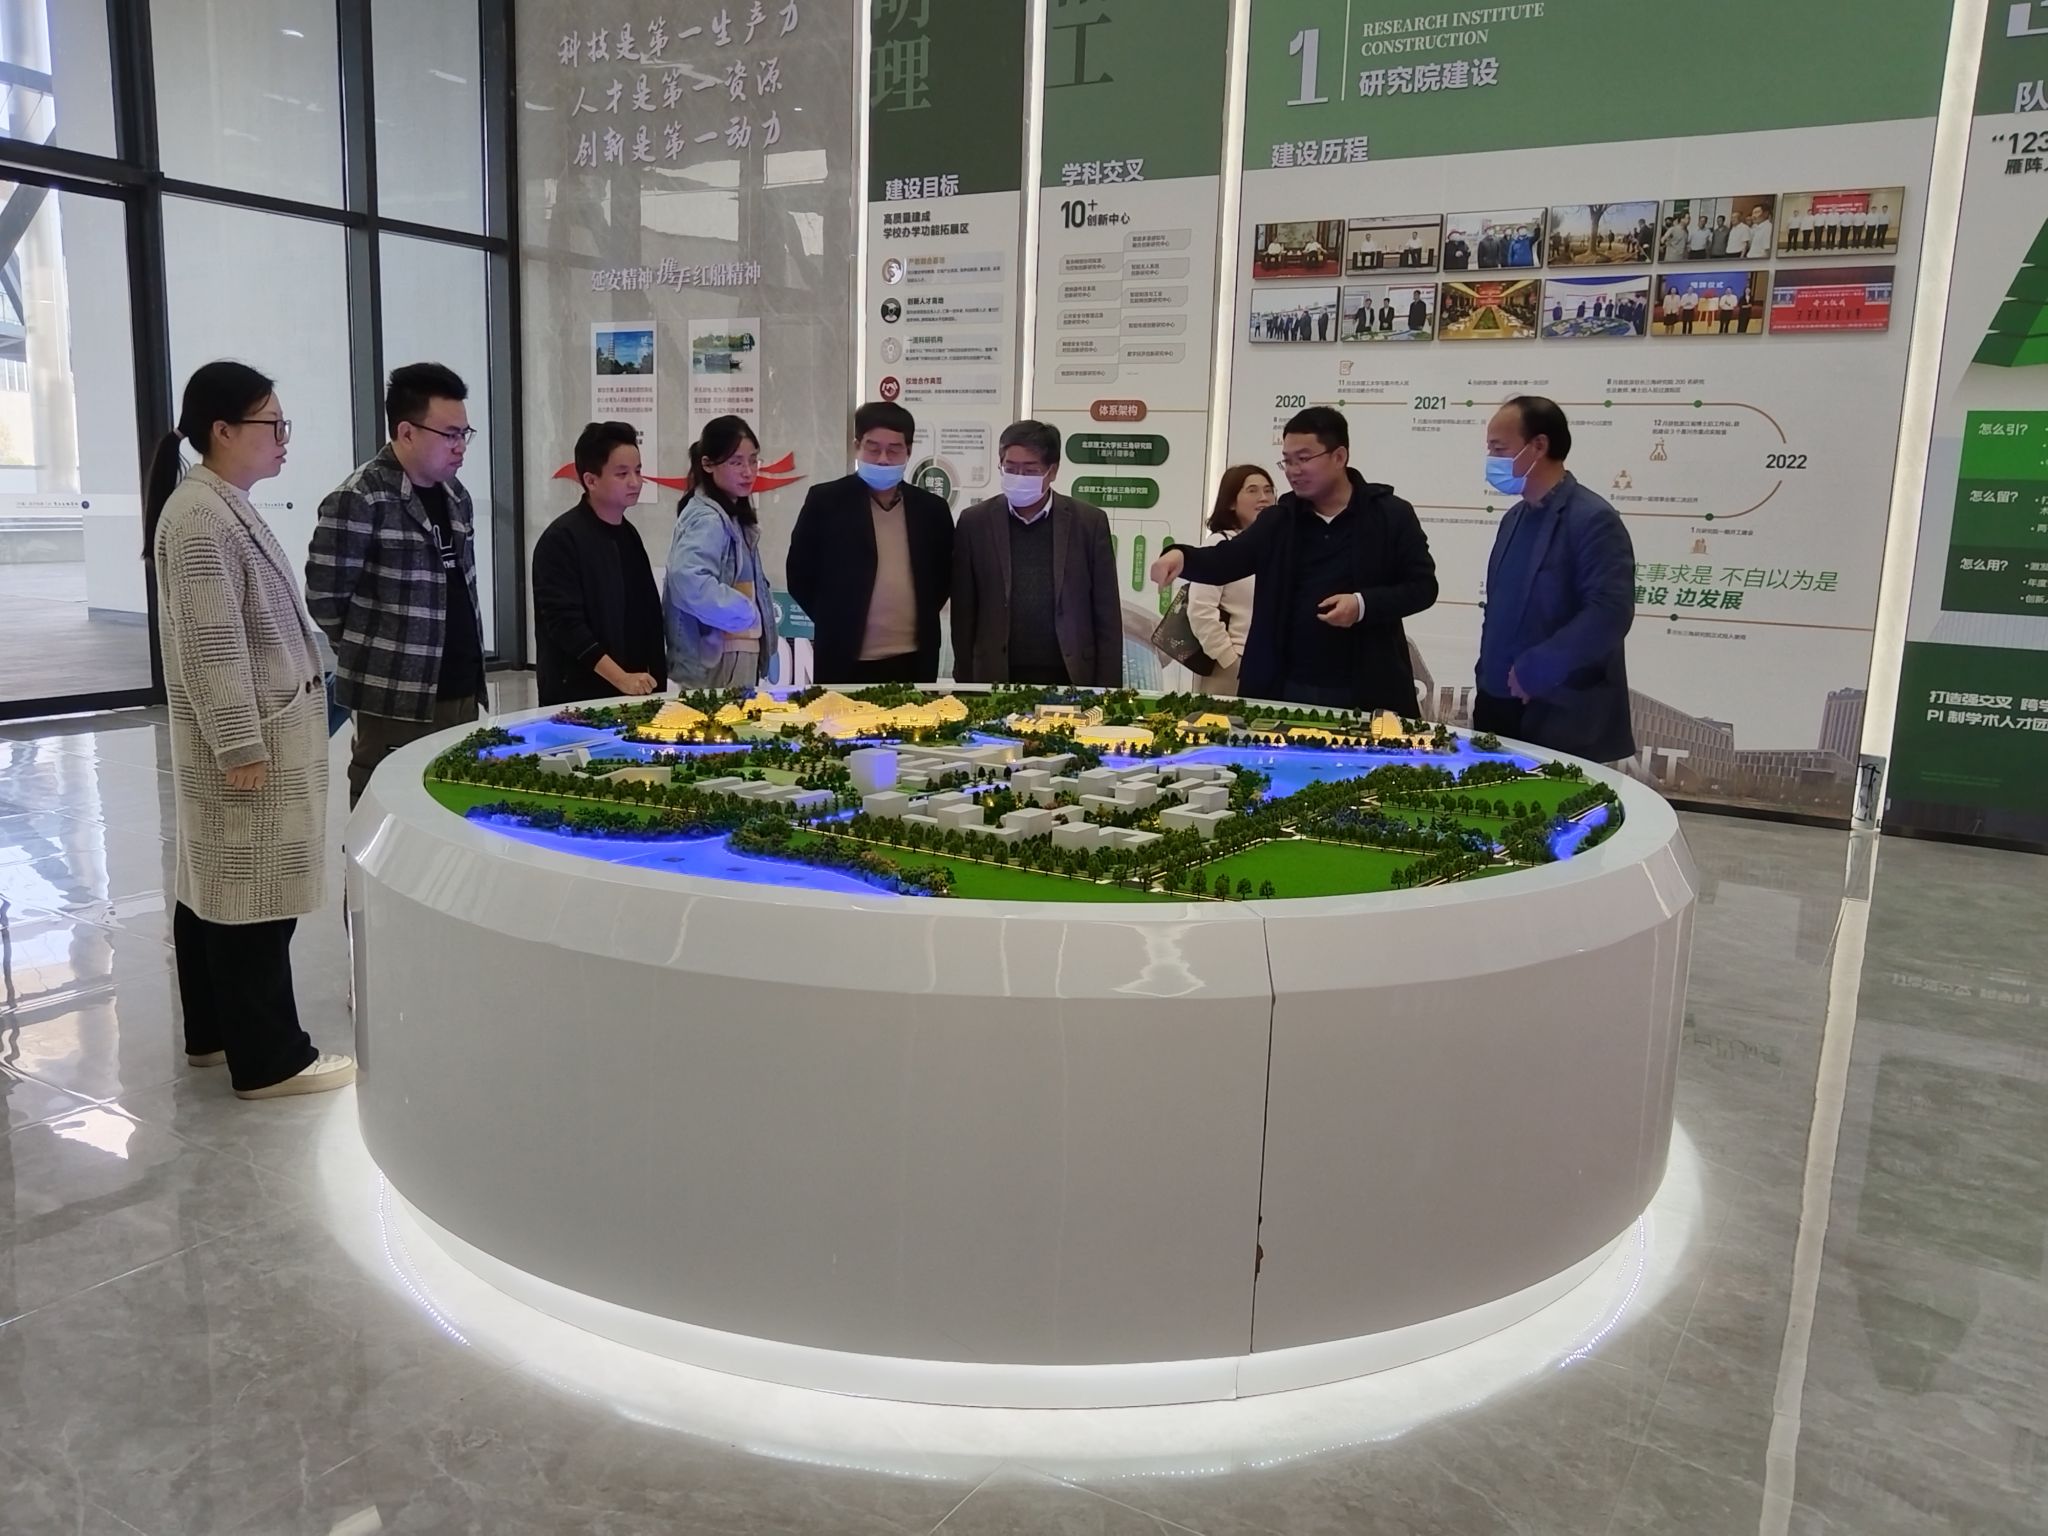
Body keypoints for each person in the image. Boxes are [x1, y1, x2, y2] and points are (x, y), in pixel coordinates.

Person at [147, 361, 353, 1100]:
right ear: (223, 430)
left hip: (264, 730)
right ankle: (270, 1060)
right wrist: (240, 744)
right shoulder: (201, 517)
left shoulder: (214, 503)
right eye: (272, 424)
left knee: (215, 889)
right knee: (250, 901)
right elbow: (213, 646)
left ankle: (212, 1033)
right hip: (250, 743)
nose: (283, 438)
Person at [1147, 407, 1436, 714]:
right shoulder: (1280, 520)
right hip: (1287, 688)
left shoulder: (1390, 515)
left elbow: (1423, 587)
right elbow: (1226, 560)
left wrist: (1362, 604)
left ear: (1339, 457)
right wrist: (1181, 556)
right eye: (1287, 460)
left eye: (1303, 459)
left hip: (1367, 687)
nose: (1293, 470)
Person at [307, 362, 485, 810]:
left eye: (465, 433)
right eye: (449, 434)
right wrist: (376, 651)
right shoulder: (360, 498)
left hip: (461, 690)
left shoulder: (455, 495)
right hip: (396, 699)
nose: (460, 446)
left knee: (457, 814)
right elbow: (325, 598)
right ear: (406, 432)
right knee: (389, 817)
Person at [1474, 397, 1635, 763]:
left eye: (1499, 449)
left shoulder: (1593, 519)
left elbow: (1609, 612)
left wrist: (1538, 670)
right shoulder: (1513, 519)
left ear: (1539, 446)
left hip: (1559, 712)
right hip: (1497, 709)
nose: (1492, 460)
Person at [786, 400, 955, 683]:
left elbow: (943, 578)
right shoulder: (826, 501)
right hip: (844, 657)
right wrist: (835, 621)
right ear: (857, 446)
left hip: (913, 659)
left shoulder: (932, 509)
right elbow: (800, 575)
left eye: (894, 450)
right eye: (873, 448)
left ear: (909, 451)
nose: (883, 459)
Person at [951, 420, 1121, 687]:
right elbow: (963, 613)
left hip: (1069, 674)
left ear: (1052, 471)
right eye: (1010, 468)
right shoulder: (975, 522)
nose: (1018, 477)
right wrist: (965, 683)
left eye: (1030, 470)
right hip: (996, 674)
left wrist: (1108, 690)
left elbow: (1106, 613)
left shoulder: (1088, 523)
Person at [531, 421, 668, 706]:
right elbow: (566, 626)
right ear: (591, 480)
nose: (635, 482)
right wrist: (621, 678)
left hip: (633, 692)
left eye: (638, 471)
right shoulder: (561, 539)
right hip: (579, 697)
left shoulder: (628, 534)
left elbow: (647, 616)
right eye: (622, 474)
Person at [666, 414, 778, 689]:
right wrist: (745, 612)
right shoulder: (709, 518)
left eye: (753, 460)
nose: (748, 471)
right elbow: (688, 578)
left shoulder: (731, 513)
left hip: (732, 659)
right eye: (736, 462)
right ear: (707, 464)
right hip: (718, 663)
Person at [1185, 465, 1275, 697]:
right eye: (1252, 490)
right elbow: (1200, 610)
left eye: (1268, 490)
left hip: (1270, 665)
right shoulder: (1220, 545)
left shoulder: (1276, 546)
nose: (1264, 498)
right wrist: (1229, 660)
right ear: (1231, 502)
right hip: (1231, 667)